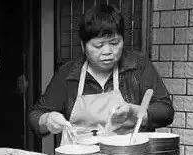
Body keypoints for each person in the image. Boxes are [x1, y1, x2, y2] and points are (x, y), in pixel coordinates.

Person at [29, 4, 174, 145]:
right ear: (83, 46)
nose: (107, 51)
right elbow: (35, 116)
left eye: (114, 43)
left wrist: (134, 112)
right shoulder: (68, 74)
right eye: (98, 45)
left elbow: (166, 111)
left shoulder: (137, 66)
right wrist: (47, 120)